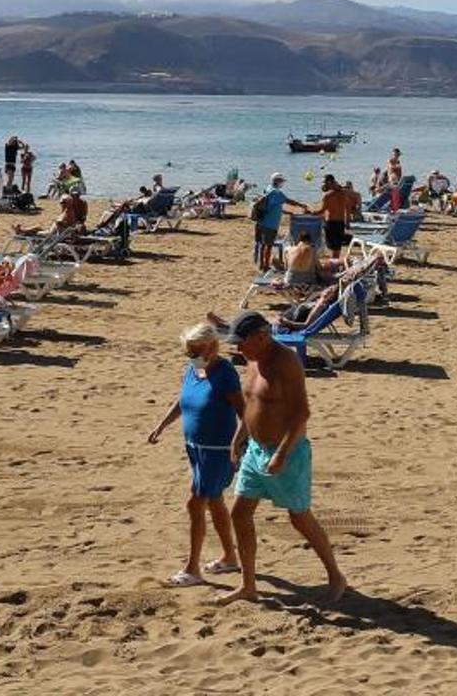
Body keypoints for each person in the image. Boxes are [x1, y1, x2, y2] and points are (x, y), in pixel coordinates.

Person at [213, 311, 346, 606]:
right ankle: (248, 585)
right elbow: (251, 403)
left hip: (288, 451)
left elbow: (302, 413)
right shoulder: (252, 359)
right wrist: (239, 437)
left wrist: (282, 454)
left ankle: (336, 575)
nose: (238, 349)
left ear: (262, 337)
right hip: (256, 450)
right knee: (240, 513)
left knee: (299, 518)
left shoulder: (286, 362)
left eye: (242, 343)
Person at [147, 323, 242, 587]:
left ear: (211, 347)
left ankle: (192, 569)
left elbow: (243, 412)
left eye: (196, 352)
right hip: (195, 447)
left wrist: (241, 445)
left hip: (218, 451)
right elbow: (183, 400)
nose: (192, 357)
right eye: (189, 353)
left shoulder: (225, 373)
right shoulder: (196, 368)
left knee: (195, 503)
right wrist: (162, 425)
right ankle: (230, 557)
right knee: (214, 501)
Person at [253, 172, 307, 272]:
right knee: (268, 246)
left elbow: (274, 207)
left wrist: (288, 212)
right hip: (270, 224)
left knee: (263, 245)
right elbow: (288, 200)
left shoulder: (267, 189)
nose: (282, 183)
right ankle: (265, 266)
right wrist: (301, 205)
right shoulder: (277, 193)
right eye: (281, 181)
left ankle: (261, 264)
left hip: (261, 221)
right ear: (277, 181)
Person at [310, 174, 352, 258]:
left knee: (332, 247)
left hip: (331, 222)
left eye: (324, 182)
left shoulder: (328, 196)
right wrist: (347, 222)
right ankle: (335, 265)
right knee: (337, 248)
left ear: (329, 182)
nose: (323, 185)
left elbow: (321, 211)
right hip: (341, 222)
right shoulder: (344, 193)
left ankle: (333, 265)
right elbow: (348, 208)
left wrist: (311, 211)